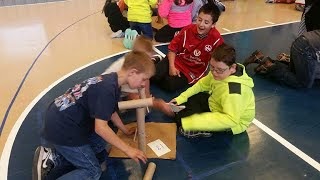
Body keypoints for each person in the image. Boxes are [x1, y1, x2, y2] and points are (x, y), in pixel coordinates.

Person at [33, 51, 154, 180]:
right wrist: (128, 149)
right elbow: (100, 128)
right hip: (64, 128)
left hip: (60, 117)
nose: (143, 84)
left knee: (100, 143)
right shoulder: (107, 89)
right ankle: (55, 157)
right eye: (144, 79)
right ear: (132, 72)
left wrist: (124, 129)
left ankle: (51, 158)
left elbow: (111, 111)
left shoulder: (111, 81)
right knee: (93, 171)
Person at [163, 43, 255, 138]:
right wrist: (180, 98)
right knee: (194, 98)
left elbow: (230, 120)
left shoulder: (234, 93)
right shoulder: (219, 71)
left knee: (183, 121)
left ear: (232, 68)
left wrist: (191, 122)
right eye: (212, 67)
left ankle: (199, 128)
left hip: (233, 122)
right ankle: (187, 119)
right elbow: (201, 85)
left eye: (219, 70)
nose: (214, 73)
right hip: (217, 104)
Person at [151, 2, 224, 92]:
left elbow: (221, 59)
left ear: (213, 24)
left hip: (191, 71)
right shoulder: (187, 30)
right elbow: (172, 48)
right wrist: (172, 67)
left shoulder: (216, 39)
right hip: (177, 60)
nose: (201, 24)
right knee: (152, 75)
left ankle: (158, 65)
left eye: (206, 22)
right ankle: (158, 61)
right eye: (199, 20)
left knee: (170, 85)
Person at [245, 30, 320, 88]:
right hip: (306, 49)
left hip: (301, 42)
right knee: (304, 83)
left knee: (294, 72)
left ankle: (261, 59)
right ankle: (269, 67)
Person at [103, 35, 157, 99]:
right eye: (146, 59)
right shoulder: (126, 69)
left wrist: (147, 95)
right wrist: (153, 103)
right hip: (111, 91)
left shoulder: (137, 65)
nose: (148, 62)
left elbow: (146, 78)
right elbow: (132, 96)